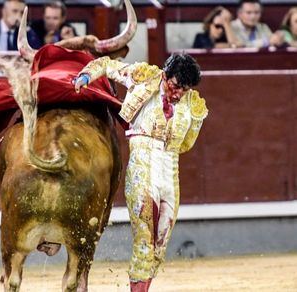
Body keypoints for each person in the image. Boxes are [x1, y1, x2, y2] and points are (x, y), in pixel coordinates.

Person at [74, 53, 208, 291]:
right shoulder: (143, 77)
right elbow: (106, 64)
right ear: (165, 75)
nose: (178, 93)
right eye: (175, 85)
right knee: (145, 237)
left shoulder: (193, 104)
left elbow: (186, 145)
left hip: (170, 168)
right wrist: (86, 74)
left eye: (184, 89)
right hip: (142, 162)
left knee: (159, 244)